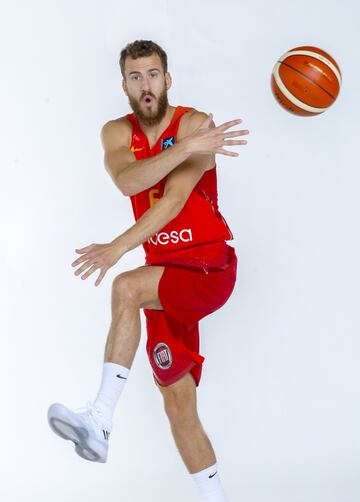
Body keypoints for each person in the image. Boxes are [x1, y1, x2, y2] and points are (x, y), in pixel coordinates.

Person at [47, 40, 249, 501]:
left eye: (153, 74)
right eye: (135, 77)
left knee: (125, 287)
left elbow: (174, 199)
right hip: (163, 274)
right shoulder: (116, 133)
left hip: (207, 266)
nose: (146, 85)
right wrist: (183, 151)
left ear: (168, 79)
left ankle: (99, 420)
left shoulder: (196, 124)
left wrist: (117, 248)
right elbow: (128, 181)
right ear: (124, 85)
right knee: (178, 405)